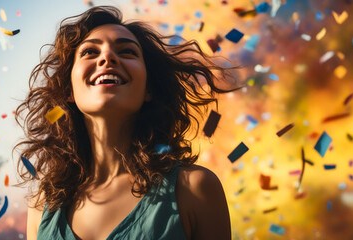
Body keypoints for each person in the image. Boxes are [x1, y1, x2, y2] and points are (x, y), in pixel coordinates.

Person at [15, 6, 235, 240]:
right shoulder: (44, 205)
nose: (107, 57)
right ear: (69, 90)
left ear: (149, 89)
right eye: (90, 51)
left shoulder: (194, 189)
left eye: (127, 51)